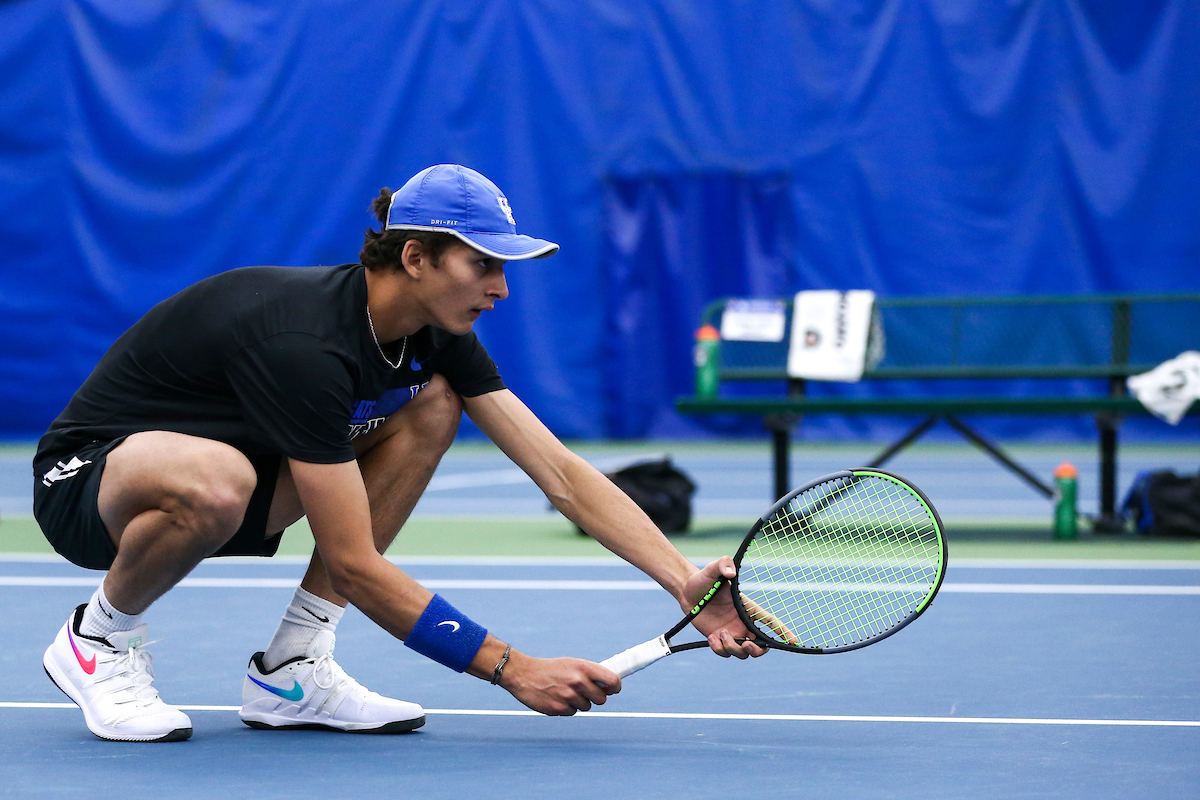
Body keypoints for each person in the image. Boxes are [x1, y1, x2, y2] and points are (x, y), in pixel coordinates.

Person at [34, 164, 765, 743]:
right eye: (483, 265)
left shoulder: (432, 334)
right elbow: (353, 560)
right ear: (415, 257)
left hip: (235, 484)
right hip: (90, 483)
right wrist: (511, 668)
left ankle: (292, 669)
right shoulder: (304, 345)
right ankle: (99, 636)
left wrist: (684, 583)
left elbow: (561, 474)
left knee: (434, 403)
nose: (501, 288)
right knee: (218, 479)